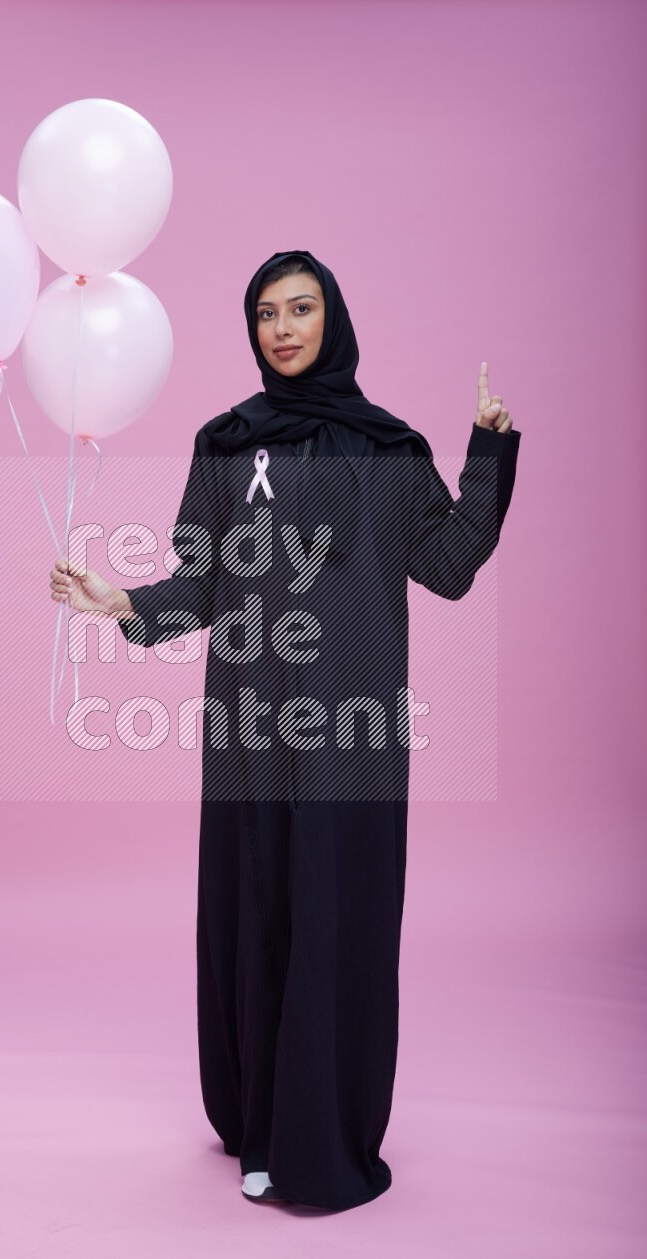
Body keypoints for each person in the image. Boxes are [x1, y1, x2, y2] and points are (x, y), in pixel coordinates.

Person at [49, 250, 521, 1212]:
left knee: (335, 922)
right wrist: (122, 602)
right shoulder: (226, 443)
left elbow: (451, 564)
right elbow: (205, 583)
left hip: (353, 734)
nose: (283, 328)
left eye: (301, 309)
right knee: (260, 914)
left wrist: (487, 451)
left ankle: (324, 1135)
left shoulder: (386, 448)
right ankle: (261, 1125)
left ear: (333, 319)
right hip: (251, 727)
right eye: (266, 313)